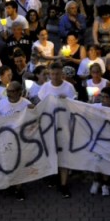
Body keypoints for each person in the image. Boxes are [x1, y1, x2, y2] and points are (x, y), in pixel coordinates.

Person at [36, 63, 76, 198]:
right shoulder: (45, 87)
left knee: (64, 155)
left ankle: (64, 185)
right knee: (51, 152)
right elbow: (40, 104)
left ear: (62, 74)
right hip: (49, 125)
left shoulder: (69, 87)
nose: (54, 77)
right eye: (52, 74)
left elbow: (75, 105)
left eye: (57, 74)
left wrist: (67, 101)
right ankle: (53, 177)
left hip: (64, 126)